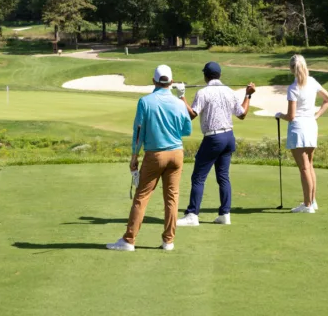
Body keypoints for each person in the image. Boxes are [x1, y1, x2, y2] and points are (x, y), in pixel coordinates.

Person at [107, 65, 192, 252]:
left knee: (142, 196)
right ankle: (168, 241)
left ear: (153, 81)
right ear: (171, 81)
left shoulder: (145, 102)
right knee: (172, 198)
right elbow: (187, 130)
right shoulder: (179, 103)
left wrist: (134, 156)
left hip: (155, 155)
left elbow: (138, 132)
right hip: (177, 153)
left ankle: (129, 240)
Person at [175, 62, 255, 226]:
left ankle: (192, 215)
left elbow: (191, 115)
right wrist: (248, 95)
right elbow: (242, 114)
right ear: (219, 75)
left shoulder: (203, 92)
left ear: (206, 76)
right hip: (229, 138)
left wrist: (181, 96)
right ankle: (225, 214)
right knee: (223, 177)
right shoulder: (230, 92)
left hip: (213, 139)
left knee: (198, 177)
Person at [275, 54, 328, 213]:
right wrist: (317, 115)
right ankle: (312, 201)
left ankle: (307, 205)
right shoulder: (312, 81)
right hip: (311, 126)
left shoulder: (293, 88)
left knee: (304, 168)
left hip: (298, 129)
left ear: (291, 69)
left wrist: (279, 115)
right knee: (310, 166)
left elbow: (291, 116)